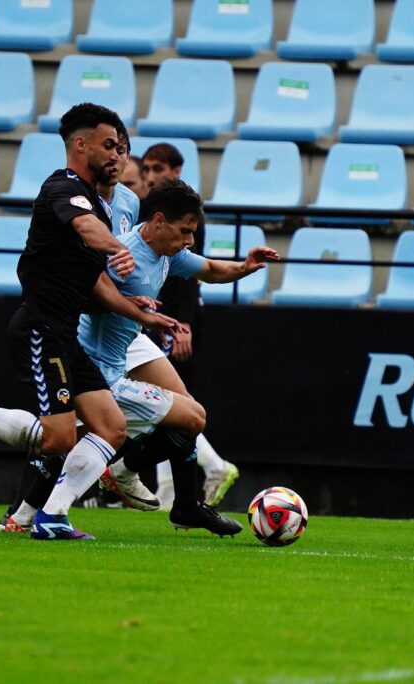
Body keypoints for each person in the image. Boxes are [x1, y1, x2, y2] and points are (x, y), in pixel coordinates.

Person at [0, 103, 179, 541]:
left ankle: (52, 517)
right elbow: (88, 229)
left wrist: (141, 311)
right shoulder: (62, 186)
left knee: (111, 427)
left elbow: (96, 285)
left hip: (64, 335)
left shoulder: (99, 202)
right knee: (58, 440)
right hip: (40, 329)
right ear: (80, 144)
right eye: (108, 145)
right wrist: (117, 249)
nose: (116, 155)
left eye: (120, 148)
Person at [5, 179, 278, 536]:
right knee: (189, 418)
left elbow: (209, 269)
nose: (189, 241)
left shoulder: (169, 253)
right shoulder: (126, 256)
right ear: (159, 220)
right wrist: (139, 312)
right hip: (98, 371)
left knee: (176, 415)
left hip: (120, 359)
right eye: (185, 231)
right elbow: (90, 290)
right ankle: (120, 479)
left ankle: (180, 503)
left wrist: (244, 266)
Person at [140, 144, 240, 508]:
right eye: (147, 168)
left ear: (176, 170)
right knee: (164, 408)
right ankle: (169, 494)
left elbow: (191, 273)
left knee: (170, 405)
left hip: (173, 319)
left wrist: (182, 323)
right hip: (156, 317)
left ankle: (213, 466)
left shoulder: (186, 213)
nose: (151, 175)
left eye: (157, 168)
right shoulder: (154, 211)